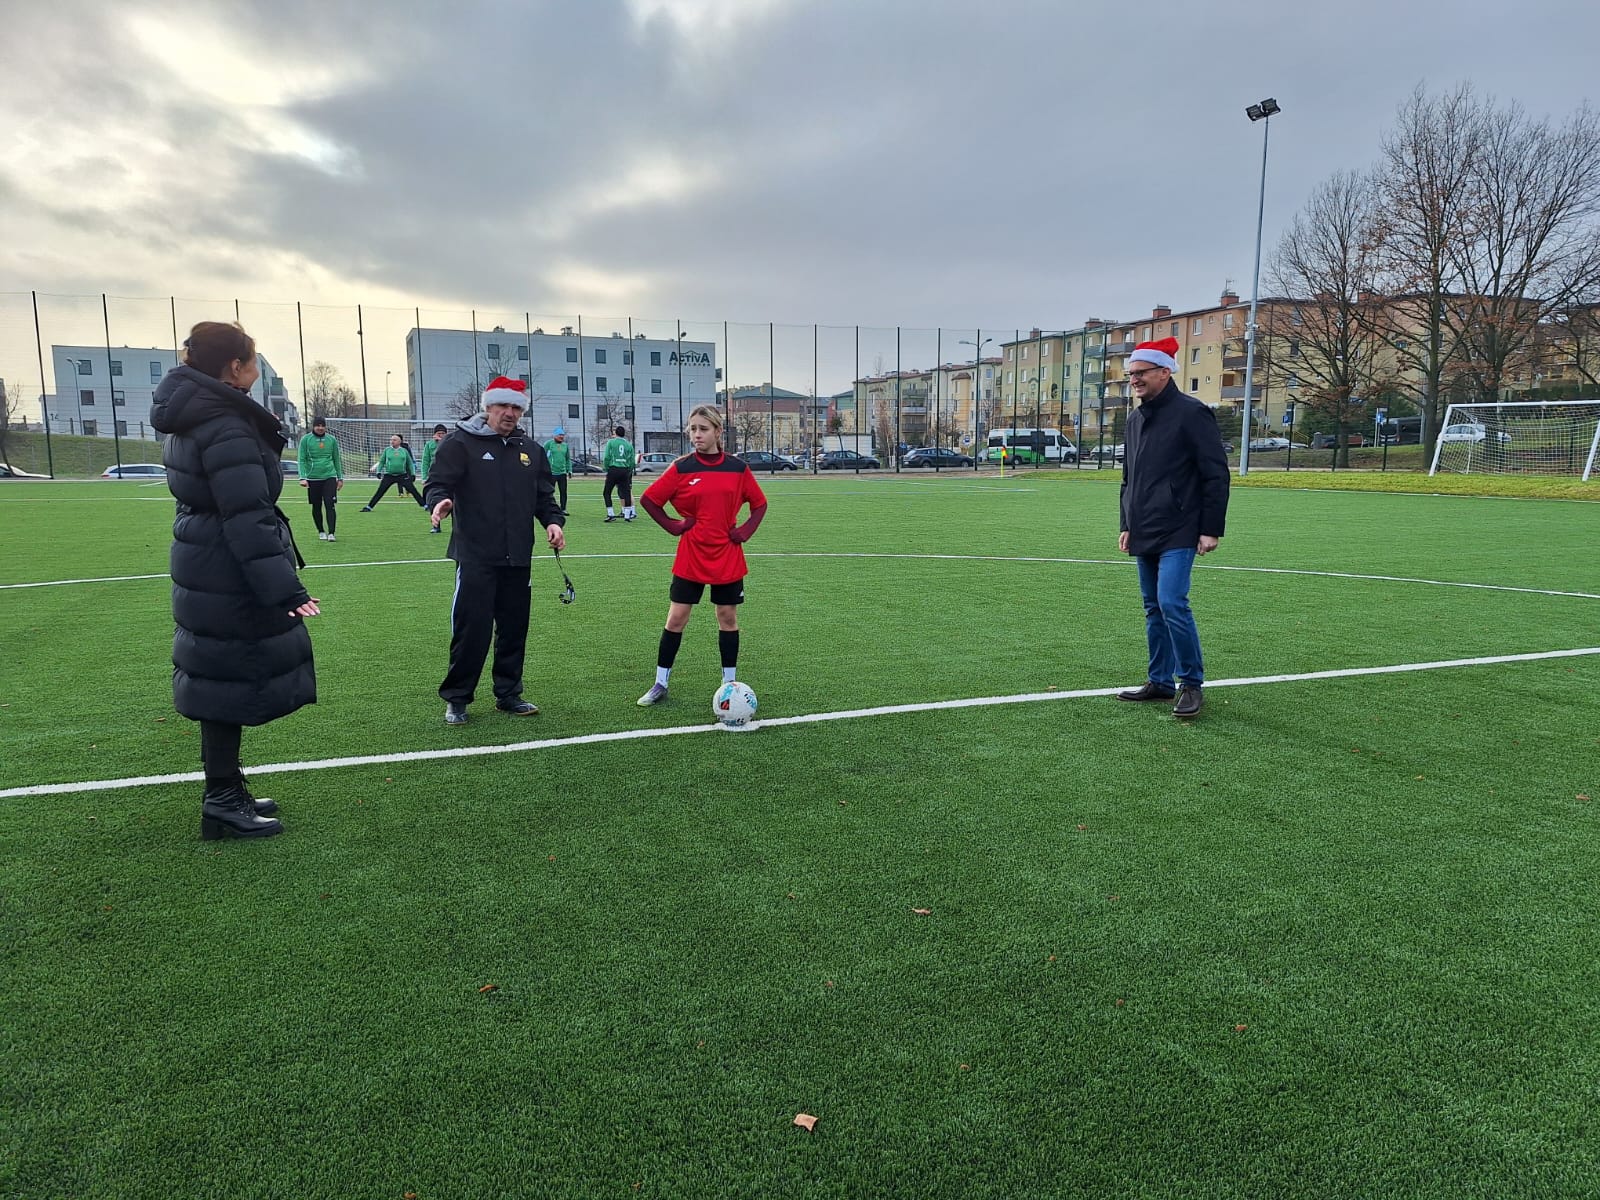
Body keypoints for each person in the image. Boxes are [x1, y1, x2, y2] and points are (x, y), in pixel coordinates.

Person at [150, 321, 319, 839]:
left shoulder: (194, 412)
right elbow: (246, 515)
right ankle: (222, 799)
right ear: (234, 366)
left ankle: (225, 787)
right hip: (225, 566)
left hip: (204, 558)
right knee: (224, 679)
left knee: (218, 673)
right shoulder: (224, 422)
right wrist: (285, 589)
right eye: (253, 361)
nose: (256, 370)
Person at [424, 376, 566, 725]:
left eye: (516, 407)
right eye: (503, 405)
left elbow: (544, 497)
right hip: (475, 556)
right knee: (471, 630)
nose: (510, 413)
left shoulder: (530, 450)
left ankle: (508, 694)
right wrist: (440, 501)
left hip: (518, 556)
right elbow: (437, 482)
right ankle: (457, 698)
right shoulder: (460, 443)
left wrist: (553, 522)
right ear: (488, 406)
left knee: (514, 628)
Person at [1115, 337, 1230, 719]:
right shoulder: (1135, 420)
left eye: (1141, 373)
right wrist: (1127, 523)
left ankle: (1191, 683)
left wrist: (1210, 528)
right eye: (1131, 374)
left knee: (1171, 603)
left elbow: (1215, 474)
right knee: (1153, 608)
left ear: (1165, 372)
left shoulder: (1192, 413)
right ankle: (1160, 681)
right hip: (1144, 528)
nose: (1134, 379)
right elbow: (1129, 479)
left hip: (1180, 527)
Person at [635, 404, 767, 709]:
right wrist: (674, 526)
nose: (696, 434)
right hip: (691, 555)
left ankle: (729, 684)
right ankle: (660, 683)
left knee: (727, 617)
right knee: (676, 618)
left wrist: (744, 532)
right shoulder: (681, 467)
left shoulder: (737, 468)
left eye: (703, 429)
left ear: (718, 432)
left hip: (727, 555)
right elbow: (650, 500)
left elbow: (759, 504)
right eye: (692, 429)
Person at [296, 415, 344, 542]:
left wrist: (340, 478)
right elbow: (301, 459)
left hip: (329, 476)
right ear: (313, 426)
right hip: (313, 478)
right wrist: (302, 477)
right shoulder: (306, 440)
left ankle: (331, 533)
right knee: (316, 506)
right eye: (318, 425)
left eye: (323, 426)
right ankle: (321, 531)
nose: (320, 428)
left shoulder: (332, 440)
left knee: (330, 504)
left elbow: (336, 459)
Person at [361, 434, 425, 511]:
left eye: (394, 440)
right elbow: (382, 462)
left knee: (413, 491)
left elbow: (410, 463)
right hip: (389, 476)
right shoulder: (387, 450)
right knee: (380, 492)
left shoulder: (404, 451)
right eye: (391, 440)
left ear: (399, 441)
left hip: (402, 475)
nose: (392, 441)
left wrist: (413, 474)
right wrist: (378, 471)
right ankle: (369, 507)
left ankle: (425, 505)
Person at [601, 423, 639, 522]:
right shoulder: (629, 445)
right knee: (626, 492)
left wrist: (606, 468)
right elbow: (632, 461)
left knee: (607, 492)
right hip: (624, 470)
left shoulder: (611, 442)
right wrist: (629, 470)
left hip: (614, 469)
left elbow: (607, 457)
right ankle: (627, 515)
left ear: (616, 433)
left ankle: (611, 514)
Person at [420, 423, 448, 533]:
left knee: (455, 502)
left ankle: (457, 527)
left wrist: (442, 442)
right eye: (439, 433)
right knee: (433, 501)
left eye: (443, 433)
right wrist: (424, 477)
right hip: (434, 476)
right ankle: (436, 526)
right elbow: (425, 461)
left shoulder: (449, 443)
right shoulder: (429, 445)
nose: (441, 435)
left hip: (448, 475)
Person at [542, 426, 572, 514]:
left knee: (563, 492)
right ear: (555, 435)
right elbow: (542, 456)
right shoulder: (548, 444)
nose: (561, 437)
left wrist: (569, 470)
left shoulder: (565, 446)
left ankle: (563, 509)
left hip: (562, 473)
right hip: (551, 473)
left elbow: (568, 459)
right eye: (560, 435)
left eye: (563, 435)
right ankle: (549, 508)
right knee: (549, 492)